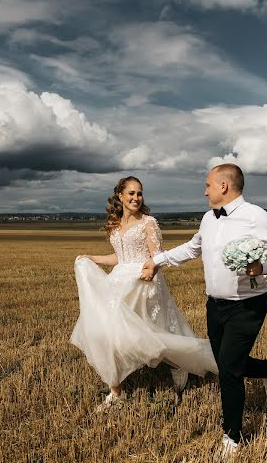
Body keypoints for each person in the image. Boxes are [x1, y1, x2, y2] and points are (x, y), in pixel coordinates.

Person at [141, 164, 267, 457]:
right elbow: (192, 248)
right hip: (214, 305)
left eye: (208, 185)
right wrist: (158, 260)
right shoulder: (207, 218)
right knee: (227, 361)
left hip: (248, 306)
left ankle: (232, 437)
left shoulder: (256, 216)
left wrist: (263, 267)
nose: (205, 191)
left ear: (223, 186)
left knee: (228, 369)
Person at [70, 176, 217, 410]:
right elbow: (119, 257)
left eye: (139, 193)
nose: (136, 198)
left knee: (153, 331)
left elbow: (156, 256)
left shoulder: (148, 223)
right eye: (131, 193)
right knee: (109, 332)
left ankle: (178, 363)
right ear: (120, 195)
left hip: (144, 282)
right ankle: (115, 391)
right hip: (119, 280)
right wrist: (91, 258)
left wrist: (150, 272)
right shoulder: (116, 225)